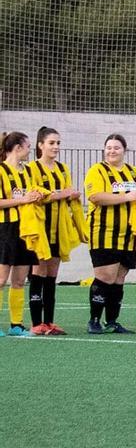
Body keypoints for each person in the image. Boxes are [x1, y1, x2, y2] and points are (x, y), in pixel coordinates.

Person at [83, 134, 136, 334]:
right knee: (105, 276)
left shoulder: (135, 173)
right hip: (104, 231)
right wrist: (127, 196)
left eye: (116, 148)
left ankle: (112, 321)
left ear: (124, 151)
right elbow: (95, 197)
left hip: (129, 234)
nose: (112, 151)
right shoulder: (97, 170)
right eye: (109, 147)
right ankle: (94, 320)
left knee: (120, 277)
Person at [26, 126, 84, 336]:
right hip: (39, 229)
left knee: (52, 277)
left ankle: (49, 322)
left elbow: (65, 193)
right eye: (51, 143)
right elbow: (35, 195)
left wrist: (71, 195)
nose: (56, 147)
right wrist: (62, 194)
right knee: (38, 274)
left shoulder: (62, 169)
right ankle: (36, 323)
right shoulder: (31, 168)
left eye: (58, 143)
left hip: (59, 230)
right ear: (40, 145)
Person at [0, 132, 43, 336]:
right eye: (27, 147)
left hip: (25, 229)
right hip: (5, 228)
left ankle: (16, 325)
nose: (29, 151)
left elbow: (30, 195)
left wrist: (37, 196)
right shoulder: (1, 170)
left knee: (19, 280)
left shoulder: (27, 172)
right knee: (0, 280)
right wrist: (23, 200)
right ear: (18, 148)